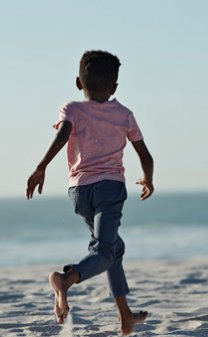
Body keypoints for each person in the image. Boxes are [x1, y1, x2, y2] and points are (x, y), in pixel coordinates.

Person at [26, 50, 154, 335]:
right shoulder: (124, 114)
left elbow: (61, 136)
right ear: (115, 88)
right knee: (105, 251)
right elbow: (145, 154)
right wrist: (148, 179)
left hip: (80, 192)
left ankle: (125, 316)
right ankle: (65, 279)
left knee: (113, 250)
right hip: (110, 188)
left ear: (77, 82)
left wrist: (41, 167)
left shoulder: (71, 108)